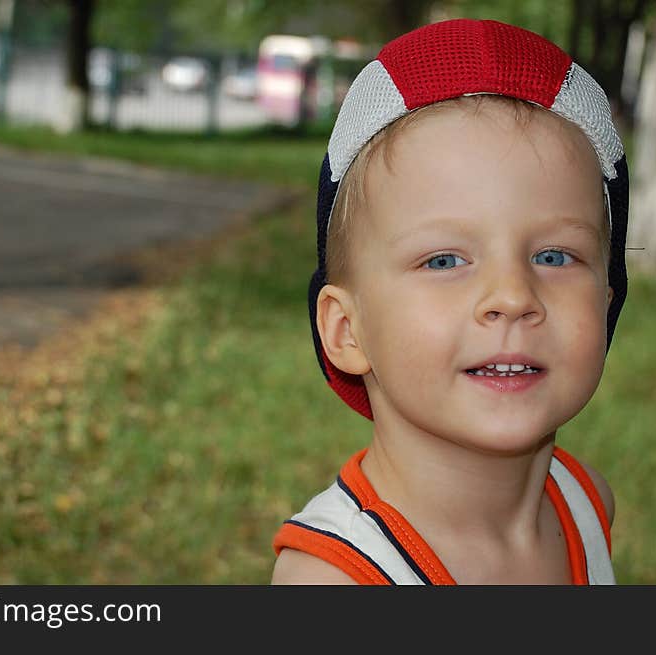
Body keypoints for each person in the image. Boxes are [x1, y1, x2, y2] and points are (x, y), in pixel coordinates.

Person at [270, 18, 629, 585]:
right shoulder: (337, 579)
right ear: (346, 330)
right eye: (443, 260)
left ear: (606, 306)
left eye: (555, 256)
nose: (512, 297)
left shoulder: (585, 506)